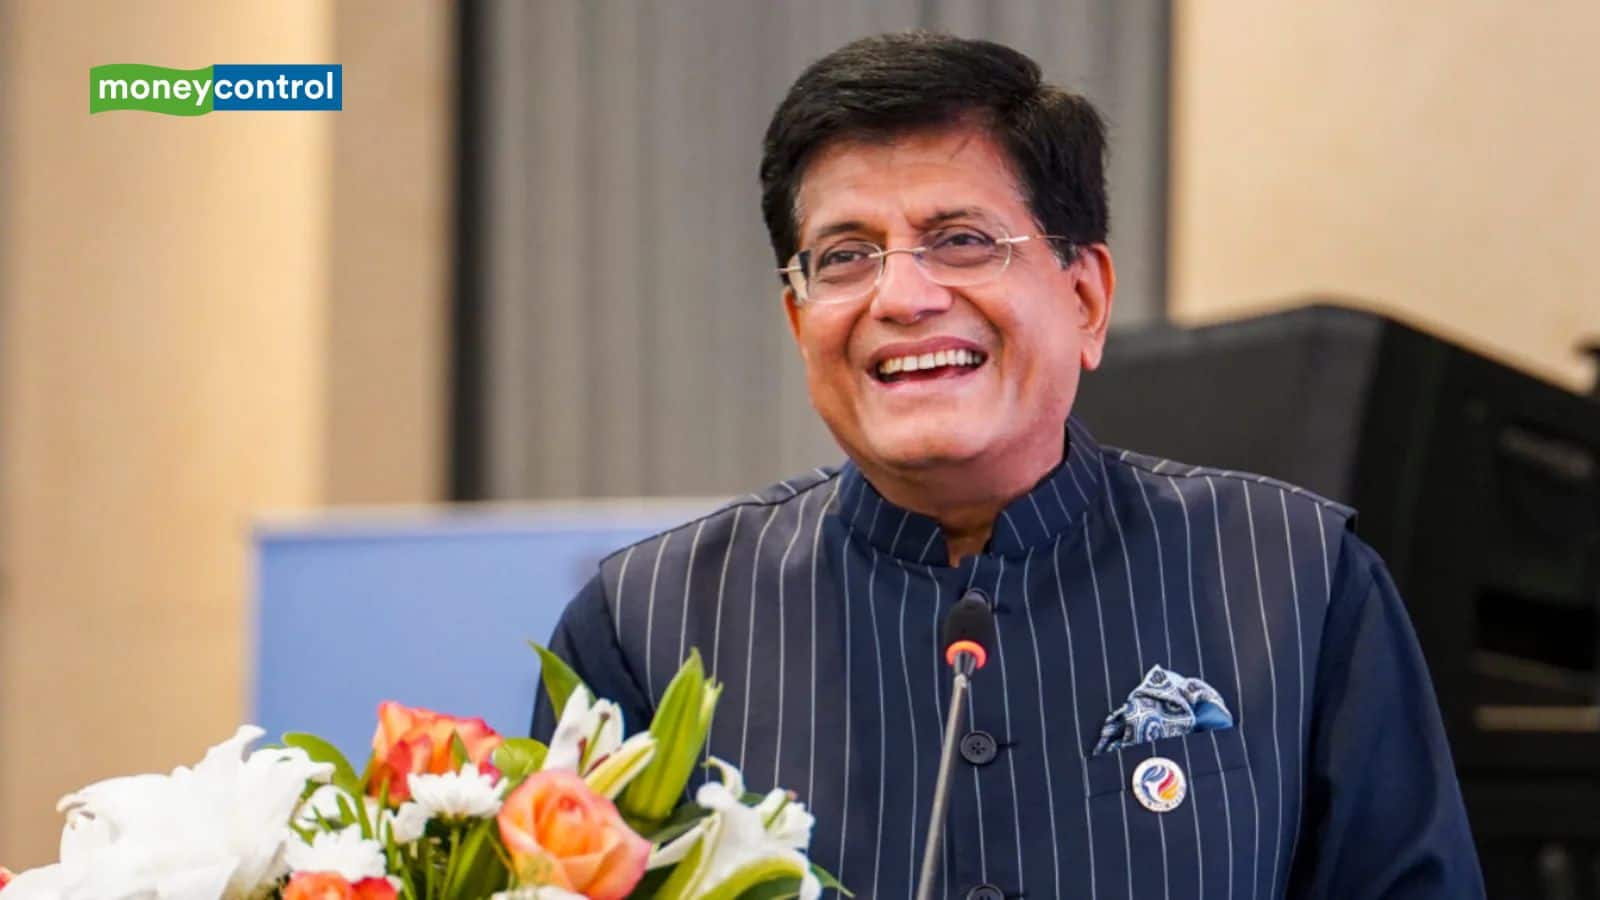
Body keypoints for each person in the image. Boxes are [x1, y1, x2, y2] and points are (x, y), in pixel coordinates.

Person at [532, 31, 1483, 899]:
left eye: (962, 241)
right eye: (846, 256)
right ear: (798, 319)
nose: (901, 297)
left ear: (1086, 298)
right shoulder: (646, 628)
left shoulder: (1299, 583)